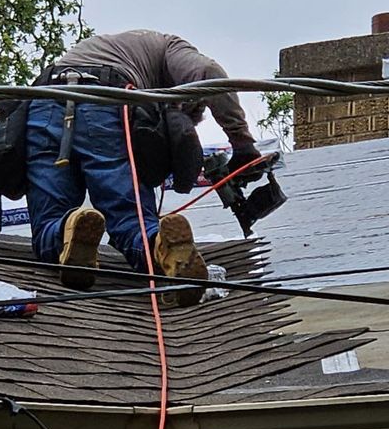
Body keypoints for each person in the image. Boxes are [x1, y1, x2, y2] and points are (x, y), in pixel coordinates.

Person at [25, 29, 262, 306]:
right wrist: (241, 141)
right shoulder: (170, 47)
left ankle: (69, 229)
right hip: (105, 100)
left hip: (43, 103)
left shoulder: (112, 47)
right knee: (130, 220)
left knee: (48, 222)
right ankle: (164, 250)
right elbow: (208, 72)